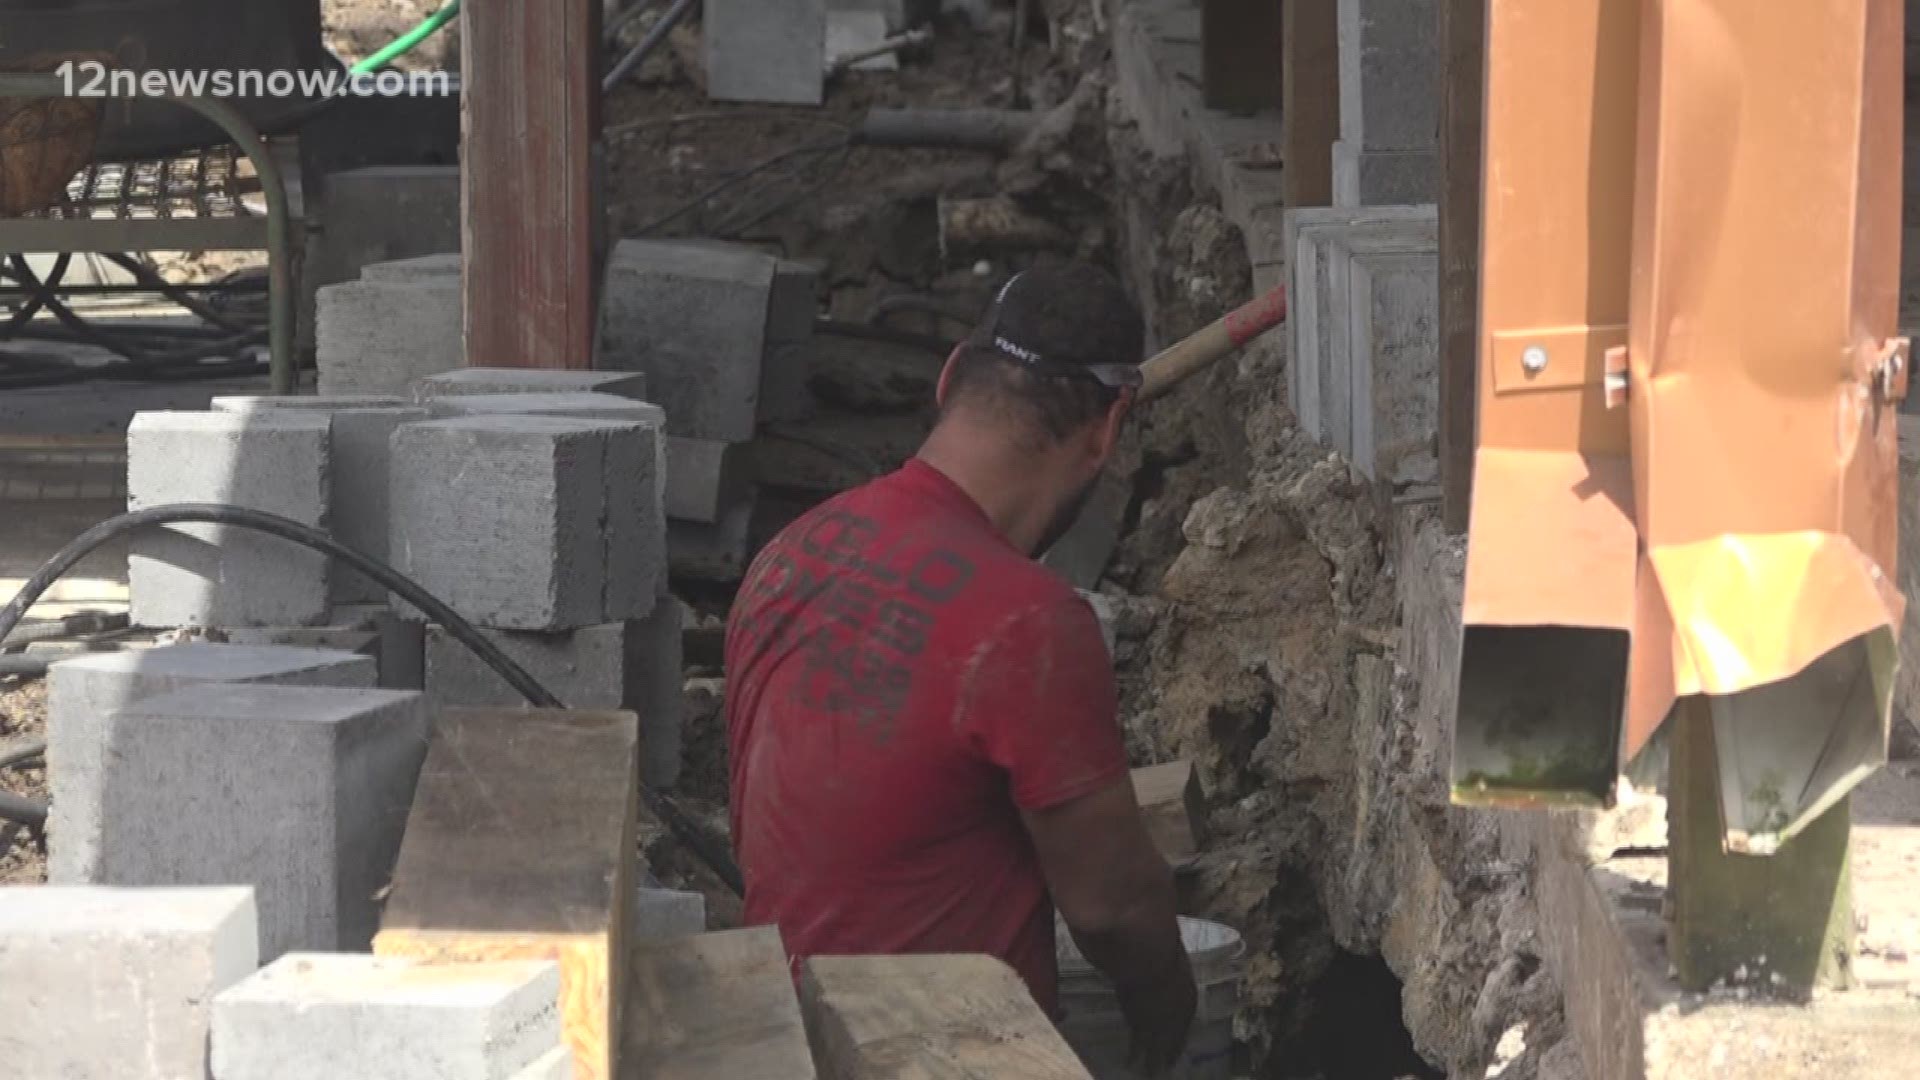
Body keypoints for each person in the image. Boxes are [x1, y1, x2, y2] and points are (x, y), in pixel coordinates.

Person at [724, 260, 1197, 1070]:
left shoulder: (795, 550)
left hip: (778, 1038)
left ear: (949, 378)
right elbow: (1113, 909)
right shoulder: (1027, 623)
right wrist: (1169, 1031)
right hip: (938, 1054)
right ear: (1110, 428)